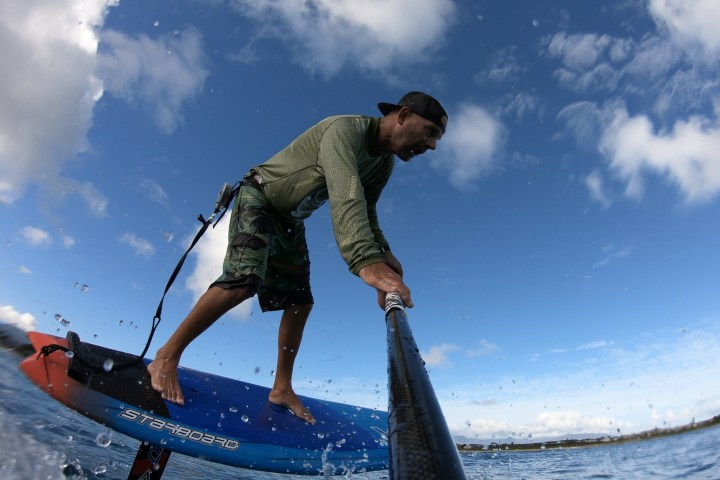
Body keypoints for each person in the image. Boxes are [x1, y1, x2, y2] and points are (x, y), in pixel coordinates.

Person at [147, 91, 448, 424]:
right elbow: (346, 194)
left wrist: (384, 252)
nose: (433, 146)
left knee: (300, 302)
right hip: (259, 196)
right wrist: (366, 262)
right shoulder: (344, 131)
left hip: (290, 220)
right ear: (403, 114)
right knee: (243, 281)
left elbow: (367, 208)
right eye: (431, 132)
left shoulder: (383, 163)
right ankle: (166, 356)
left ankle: (281, 388)